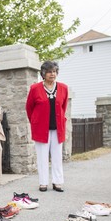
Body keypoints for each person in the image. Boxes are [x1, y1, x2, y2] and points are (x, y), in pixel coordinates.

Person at [26, 61, 69, 192]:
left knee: (57, 157)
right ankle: (43, 183)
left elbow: (63, 107)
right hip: (40, 128)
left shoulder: (63, 88)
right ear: (43, 74)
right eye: (50, 71)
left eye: (55, 71)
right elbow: (29, 108)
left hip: (57, 128)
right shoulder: (35, 88)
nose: (52, 74)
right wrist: (34, 121)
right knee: (42, 157)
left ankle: (57, 182)